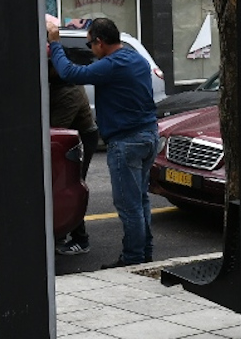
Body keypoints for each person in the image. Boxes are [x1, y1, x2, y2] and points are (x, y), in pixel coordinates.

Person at [47, 17, 158, 268]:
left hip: (126, 141)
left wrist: (55, 44)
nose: (91, 50)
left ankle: (133, 258)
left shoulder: (112, 65)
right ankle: (145, 254)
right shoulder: (136, 59)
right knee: (140, 200)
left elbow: (70, 73)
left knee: (129, 206)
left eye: (89, 45)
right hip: (149, 135)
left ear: (100, 42)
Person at [46, 14, 100, 256]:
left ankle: (81, 239)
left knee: (72, 185)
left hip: (81, 140)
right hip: (76, 137)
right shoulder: (56, 88)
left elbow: (57, 131)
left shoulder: (68, 92)